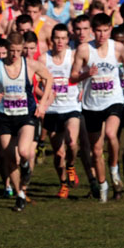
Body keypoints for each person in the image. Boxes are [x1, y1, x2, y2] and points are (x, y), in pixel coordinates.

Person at [70, 13, 124, 203]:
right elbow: (73, 77)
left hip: (113, 99)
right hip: (92, 104)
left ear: (110, 30)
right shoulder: (84, 50)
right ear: (93, 31)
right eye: (98, 31)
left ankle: (114, 168)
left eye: (105, 31)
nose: (102, 35)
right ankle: (103, 184)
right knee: (96, 151)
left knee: (111, 134)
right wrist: (86, 74)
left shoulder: (117, 47)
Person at [0, 32, 53, 212]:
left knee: (24, 151)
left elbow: (49, 78)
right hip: (5, 117)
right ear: (6, 49)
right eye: (11, 51)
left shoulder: (30, 65)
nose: (15, 54)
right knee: (9, 157)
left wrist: (43, 104)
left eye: (18, 51)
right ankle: (20, 194)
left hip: (26, 115)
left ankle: (25, 166)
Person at [40, 24, 81, 199]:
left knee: (71, 143)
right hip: (52, 109)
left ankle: (71, 165)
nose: (60, 42)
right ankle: (63, 183)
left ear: (68, 40)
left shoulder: (73, 56)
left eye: (63, 38)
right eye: (57, 38)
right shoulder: (44, 59)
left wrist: (83, 90)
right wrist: (44, 96)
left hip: (71, 106)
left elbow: (84, 74)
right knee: (58, 153)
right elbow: (36, 81)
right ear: (52, 39)